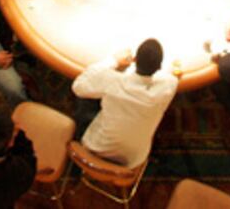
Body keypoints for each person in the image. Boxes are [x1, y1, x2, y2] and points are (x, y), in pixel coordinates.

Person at [71, 39, 178, 168]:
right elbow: (171, 77)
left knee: (87, 99)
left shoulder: (113, 81)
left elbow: (78, 86)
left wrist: (113, 60)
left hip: (94, 149)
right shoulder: (167, 88)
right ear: (159, 67)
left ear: (134, 60)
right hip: (132, 162)